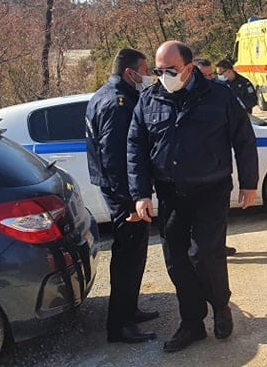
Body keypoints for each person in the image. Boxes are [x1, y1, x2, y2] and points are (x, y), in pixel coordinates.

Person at [127, 41, 259, 353]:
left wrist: (249, 183)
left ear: (188, 68)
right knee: (176, 260)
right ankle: (192, 323)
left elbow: (244, 139)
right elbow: (136, 148)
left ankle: (220, 306)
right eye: (158, 70)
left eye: (170, 70)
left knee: (204, 254)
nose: (163, 76)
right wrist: (140, 193)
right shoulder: (149, 99)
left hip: (211, 189)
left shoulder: (218, 95)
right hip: (171, 192)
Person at [85, 48, 159, 344]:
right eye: (145, 69)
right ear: (130, 72)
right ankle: (120, 327)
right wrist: (131, 202)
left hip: (117, 191)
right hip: (123, 195)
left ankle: (130, 311)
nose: (148, 75)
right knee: (128, 258)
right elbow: (117, 157)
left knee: (135, 253)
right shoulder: (119, 104)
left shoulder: (104, 95)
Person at [192, 57, 242, 257]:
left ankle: (219, 247)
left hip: (216, 174)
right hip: (192, 177)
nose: (209, 78)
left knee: (218, 218)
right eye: (204, 75)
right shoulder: (182, 98)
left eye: (210, 74)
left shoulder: (219, 95)